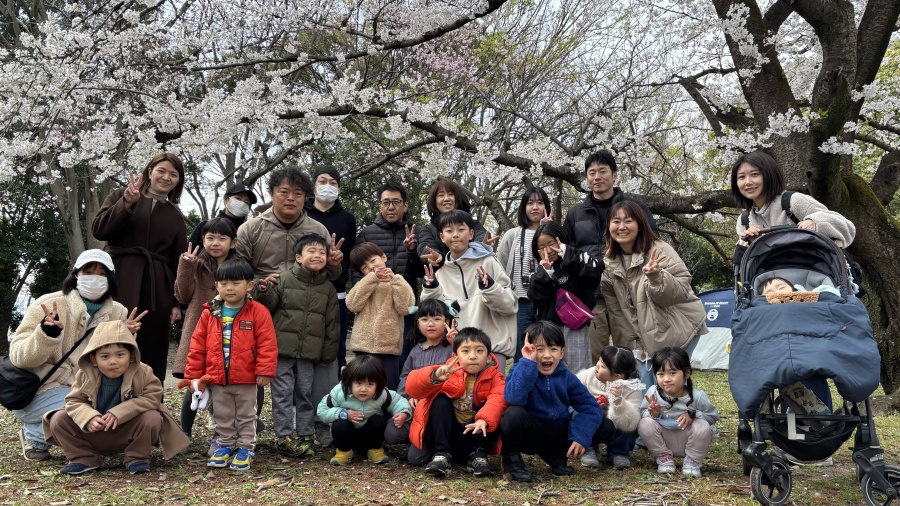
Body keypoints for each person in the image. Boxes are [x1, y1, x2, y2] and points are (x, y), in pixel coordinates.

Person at [236, 166, 344, 446]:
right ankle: (246, 423)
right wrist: (259, 284)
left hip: (308, 306)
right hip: (259, 304)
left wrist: (334, 264)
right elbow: (238, 270)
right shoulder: (252, 228)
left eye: (298, 193)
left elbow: (329, 275)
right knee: (255, 366)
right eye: (283, 192)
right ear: (271, 194)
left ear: (305, 197)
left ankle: (318, 425)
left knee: (316, 370)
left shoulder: (317, 229)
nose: (290, 198)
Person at [10, 250, 139, 462]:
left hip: (88, 388)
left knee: (106, 413)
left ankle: (59, 433)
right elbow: (19, 357)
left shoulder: (118, 312)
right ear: (76, 274)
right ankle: (35, 436)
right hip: (39, 389)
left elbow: (119, 361)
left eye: (102, 274)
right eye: (88, 272)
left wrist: (126, 337)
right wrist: (46, 334)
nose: (95, 278)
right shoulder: (48, 304)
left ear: (111, 279)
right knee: (85, 412)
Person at [44, 320, 190, 475]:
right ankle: (83, 458)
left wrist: (119, 413)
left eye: (120, 355)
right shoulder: (84, 374)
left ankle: (137, 457)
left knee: (152, 417)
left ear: (131, 356)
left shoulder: (144, 372)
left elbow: (153, 397)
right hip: (93, 431)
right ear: (93, 359)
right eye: (105, 356)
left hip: (127, 432)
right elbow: (73, 401)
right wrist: (88, 417)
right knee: (58, 419)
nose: (113, 361)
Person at [91, 153, 188, 383]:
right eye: (161, 171)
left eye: (173, 174)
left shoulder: (175, 215)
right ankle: (103, 395)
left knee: (152, 346)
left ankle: (149, 399)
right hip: (118, 277)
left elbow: (177, 260)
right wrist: (126, 203)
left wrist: (176, 302)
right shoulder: (120, 195)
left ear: (178, 181)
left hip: (157, 287)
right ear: (149, 171)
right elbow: (99, 231)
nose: (166, 177)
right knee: (111, 339)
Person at [600, 200, 707, 390]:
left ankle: (686, 408)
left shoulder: (659, 250)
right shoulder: (610, 263)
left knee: (670, 385)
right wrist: (637, 340)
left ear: (640, 225)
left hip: (679, 328)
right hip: (647, 336)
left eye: (628, 221)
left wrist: (656, 277)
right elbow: (618, 310)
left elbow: (679, 292)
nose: (621, 227)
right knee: (646, 387)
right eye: (616, 221)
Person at [562, 150, 658, 364]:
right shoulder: (576, 214)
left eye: (603, 171)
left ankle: (630, 386)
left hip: (627, 293)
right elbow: (568, 254)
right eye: (592, 172)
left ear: (614, 175)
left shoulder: (635, 207)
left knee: (629, 355)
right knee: (596, 357)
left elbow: (652, 242)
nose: (597, 177)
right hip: (591, 295)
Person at [184, 258, 278, 471]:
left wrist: (264, 370)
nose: (229, 288)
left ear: (249, 286)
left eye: (236, 283)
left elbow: (267, 344)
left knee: (247, 414)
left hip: (246, 377)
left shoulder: (258, 312)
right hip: (217, 377)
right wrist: (194, 376)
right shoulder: (209, 313)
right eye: (224, 283)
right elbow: (197, 346)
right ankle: (226, 444)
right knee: (222, 414)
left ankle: (246, 447)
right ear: (216, 285)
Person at [500, 321, 619, 483]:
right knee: (513, 414)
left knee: (606, 427)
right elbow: (513, 398)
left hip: (558, 432)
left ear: (562, 353)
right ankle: (511, 458)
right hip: (531, 433)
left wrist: (580, 435)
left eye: (553, 349)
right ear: (528, 351)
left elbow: (591, 408)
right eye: (539, 349)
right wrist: (528, 364)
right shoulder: (520, 370)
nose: (547, 355)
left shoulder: (567, 377)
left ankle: (555, 455)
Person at [255, 234, 339, 458]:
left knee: (305, 394)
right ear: (299, 257)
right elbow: (266, 306)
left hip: (309, 354)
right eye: (311, 251)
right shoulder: (283, 279)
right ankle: (283, 436)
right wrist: (262, 290)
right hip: (281, 351)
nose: (318, 255)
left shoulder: (328, 288)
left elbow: (332, 324)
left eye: (322, 252)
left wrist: (327, 353)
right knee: (282, 394)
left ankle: (305, 435)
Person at [420, 210, 517, 372]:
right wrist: (430, 288)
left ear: (471, 234)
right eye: (449, 231)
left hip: (492, 348)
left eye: (461, 229)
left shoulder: (488, 262)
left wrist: (490, 288)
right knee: (461, 390)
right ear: (442, 237)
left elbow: (510, 305)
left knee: (494, 389)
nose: (455, 235)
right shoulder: (441, 272)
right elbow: (433, 312)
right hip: (459, 351)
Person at [405, 328, 508, 477]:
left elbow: (498, 398)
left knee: (494, 411)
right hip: (450, 432)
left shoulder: (496, 377)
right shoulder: (447, 372)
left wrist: (484, 419)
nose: (473, 356)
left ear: (488, 357)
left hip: (476, 432)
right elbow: (412, 388)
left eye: (479, 351)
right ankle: (442, 454)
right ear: (456, 356)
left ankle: (478, 455)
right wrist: (434, 377)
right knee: (440, 400)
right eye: (465, 351)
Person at [173, 218, 237, 448]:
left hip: (230, 330)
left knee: (225, 385)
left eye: (222, 238)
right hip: (199, 329)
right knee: (195, 382)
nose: (215, 243)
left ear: (233, 242)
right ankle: (185, 433)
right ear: (203, 240)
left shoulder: (239, 266)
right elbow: (182, 295)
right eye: (210, 238)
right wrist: (186, 266)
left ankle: (222, 433)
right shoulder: (196, 264)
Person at [355, 181, 425, 372]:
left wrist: (412, 250)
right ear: (380, 206)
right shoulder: (367, 233)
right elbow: (357, 271)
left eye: (396, 202)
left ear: (405, 205)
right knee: (371, 361)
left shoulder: (417, 232)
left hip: (406, 306)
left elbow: (422, 272)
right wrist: (362, 296)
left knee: (403, 358)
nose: (391, 207)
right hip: (374, 306)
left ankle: (399, 391)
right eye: (386, 202)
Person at [731, 150, 856, 249]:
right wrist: (751, 243)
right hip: (772, 274)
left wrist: (815, 223)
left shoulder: (793, 202)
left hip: (812, 271)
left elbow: (847, 228)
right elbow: (745, 265)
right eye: (741, 177)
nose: (748, 182)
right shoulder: (744, 221)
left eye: (755, 174)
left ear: (769, 175)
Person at [383, 298, 458, 460]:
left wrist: (456, 344)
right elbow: (405, 376)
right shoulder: (415, 351)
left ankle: (436, 443)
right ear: (418, 323)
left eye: (436, 319)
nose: (430, 324)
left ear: (447, 322)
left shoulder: (452, 348)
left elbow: (460, 373)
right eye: (424, 319)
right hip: (417, 409)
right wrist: (409, 396)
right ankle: (420, 437)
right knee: (391, 433)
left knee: (415, 459)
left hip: (441, 409)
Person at [527, 221, 600, 374]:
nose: (548, 250)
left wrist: (567, 254)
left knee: (578, 372)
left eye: (551, 244)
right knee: (550, 371)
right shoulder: (540, 271)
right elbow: (536, 298)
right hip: (549, 327)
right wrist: (546, 272)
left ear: (561, 240)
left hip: (575, 325)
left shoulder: (576, 258)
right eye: (542, 247)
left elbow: (596, 269)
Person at [304, 166, 357, 369]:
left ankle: (338, 383)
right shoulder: (301, 214)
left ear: (339, 189)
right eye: (322, 181)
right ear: (313, 185)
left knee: (336, 345)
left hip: (337, 291)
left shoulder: (348, 218)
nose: (328, 186)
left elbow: (351, 254)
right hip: (304, 289)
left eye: (333, 183)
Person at [638, 347, 719, 477]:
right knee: (644, 423)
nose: (666, 379)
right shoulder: (653, 393)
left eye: (672, 373)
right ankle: (664, 458)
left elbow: (713, 416)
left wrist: (693, 415)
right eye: (661, 374)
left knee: (703, 426)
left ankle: (692, 461)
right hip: (664, 439)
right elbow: (643, 413)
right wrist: (654, 414)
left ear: (686, 373)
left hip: (689, 439)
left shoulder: (697, 396)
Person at [317, 355, 412, 466]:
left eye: (370, 384)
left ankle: (375, 449)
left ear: (378, 384)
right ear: (349, 381)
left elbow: (398, 401)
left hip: (369, 436)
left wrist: (403, 413)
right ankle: (343, 451)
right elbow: (322, 410)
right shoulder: (340, 393)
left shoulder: (382, 394)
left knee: (378, 421)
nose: (363, 389)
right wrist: (343, 413)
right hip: (346, 436)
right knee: (340, 425)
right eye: (358, 383)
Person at [346, 242, 416, 390]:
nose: (371, 267)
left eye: (373, 260)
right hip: (363, 346)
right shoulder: (364, 284)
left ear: (383, 257)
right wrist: (371, 279)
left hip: (389, 347)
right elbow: (352, 304)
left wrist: (396, 280)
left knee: (388, 387)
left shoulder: (398, 282)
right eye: (365, 267)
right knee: (364, 386)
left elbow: (406, 308)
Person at [496, 186, 552, 361]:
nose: (535, 207)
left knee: (546, 349)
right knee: (522, 350)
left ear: (546, 206)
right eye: (530, 203)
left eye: (540, 203)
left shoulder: (552, 233)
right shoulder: (512, 235)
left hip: (546, 301)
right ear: (523, 207)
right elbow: (499, 267)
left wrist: (549, 229)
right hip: (520, 301)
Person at [575, 346, 643, 469]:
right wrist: (587, 401)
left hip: (616, 424)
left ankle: (619, 451)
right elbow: (571, 392)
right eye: (599, 360)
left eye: (603, 366)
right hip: (595, 421)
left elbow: (631, 422)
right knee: (578, 415)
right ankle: (588, 448)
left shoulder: (632, 387)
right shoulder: (588, 375)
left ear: (617, 376)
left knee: (627, 419)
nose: (597, 366)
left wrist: (619, 403)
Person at [417, 179, 493, 270]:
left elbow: (481, 235)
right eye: (441, 195)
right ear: (434, 201)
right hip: (442, 275)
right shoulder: (428, 230)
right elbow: (425, 245)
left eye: (451, 194)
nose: (446, 199)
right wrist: (436, 257)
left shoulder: (472, 224)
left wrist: (481, 246)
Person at [187, 183, 257, 253]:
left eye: (246, 202)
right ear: (226, 199)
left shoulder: (249, 231)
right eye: (238, 198)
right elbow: (189, 253)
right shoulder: (206, 226)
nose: (242, 204)